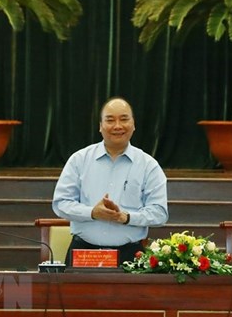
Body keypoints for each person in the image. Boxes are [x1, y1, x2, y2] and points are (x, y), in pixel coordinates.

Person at [52, 96, 169, 265]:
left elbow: (159, 213)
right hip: (84, 253)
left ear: (133, 124)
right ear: (100, 126)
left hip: (130, 255)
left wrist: (126, 217)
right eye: (110, 120)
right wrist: (93, 213)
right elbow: (61, 203)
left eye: (124, 119)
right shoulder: (79, 160)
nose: (117, 126)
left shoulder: (148, 165)